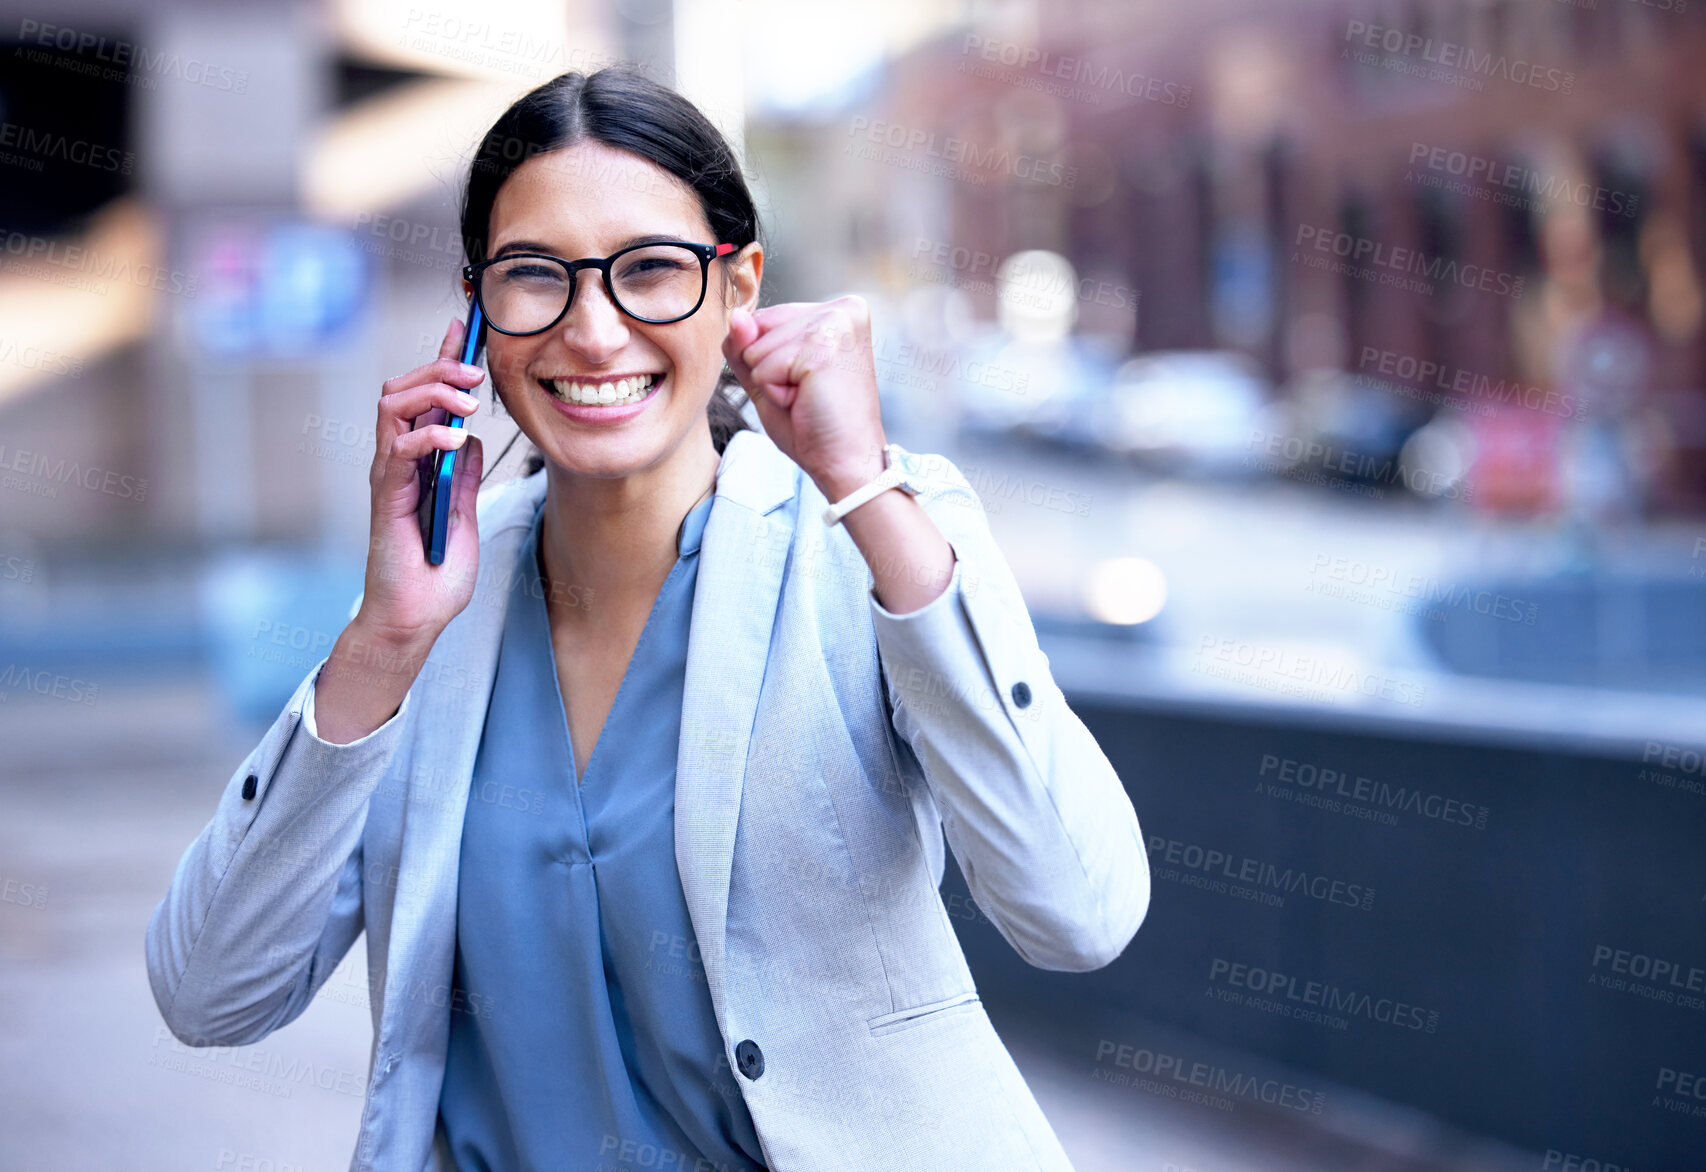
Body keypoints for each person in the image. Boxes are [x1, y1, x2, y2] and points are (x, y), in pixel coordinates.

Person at [146, 65, 1150, 1172]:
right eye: (534, 277)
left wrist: (861, 484)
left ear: (738, 286)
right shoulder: (429, 610)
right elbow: (208, 992)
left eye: (652, 271)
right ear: (476, 308)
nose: (592, 327)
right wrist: (382, 640)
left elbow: (1077, 912)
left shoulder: (857, 536)